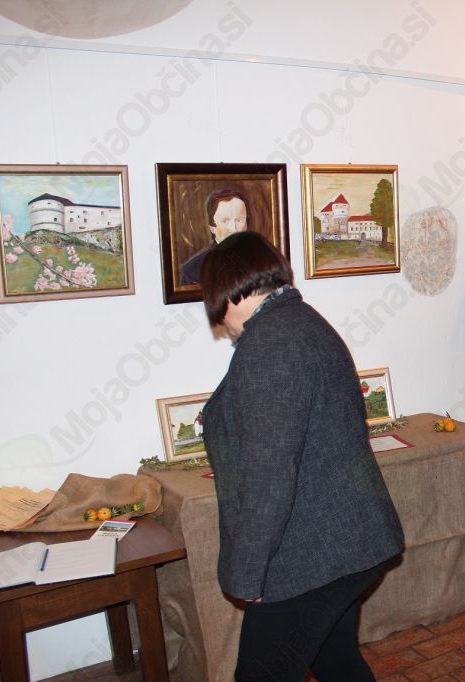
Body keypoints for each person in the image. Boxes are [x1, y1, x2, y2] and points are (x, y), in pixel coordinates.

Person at [199, 231, 404, 681]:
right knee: (337, 663)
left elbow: (270, 476)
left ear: (228, 290)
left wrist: (249, 574)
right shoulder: (301, 320)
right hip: (346, 539)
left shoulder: (269, 344)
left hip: (310, 555)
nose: (216, 318)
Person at [180, 188, 249, 285]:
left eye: (239, 220)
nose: (233, 229)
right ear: (212, 227)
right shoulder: (193, 269)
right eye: (225, 221)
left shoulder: (261, 259)